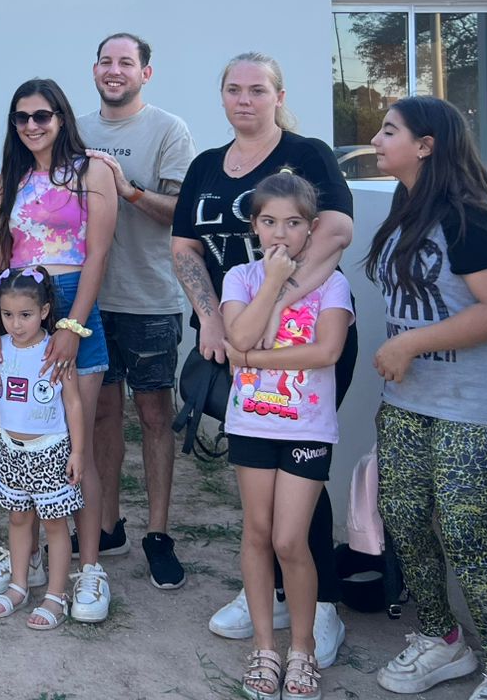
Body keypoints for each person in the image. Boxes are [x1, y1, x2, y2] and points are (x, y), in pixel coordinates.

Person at [172, 51, 355, 666]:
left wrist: (278, 300)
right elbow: (185, 248)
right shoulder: (205, 165)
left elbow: (335, 232)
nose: (244, 99)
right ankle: (272, 595)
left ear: (279, 96)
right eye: (233, 89)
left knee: (302, 467)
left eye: (257, 89)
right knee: (258, 464)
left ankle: (321, 604)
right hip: (235, 332)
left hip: (303, 330)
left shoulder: (307, 155)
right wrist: (213, 319)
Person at [366, 98, 487, 700]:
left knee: (463, 532)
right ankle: (443, 640)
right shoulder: (405, 208)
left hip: (476, 405)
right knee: (405, 520)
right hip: (408, 400)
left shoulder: (470, 219)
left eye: (389, 130)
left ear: (426, 145)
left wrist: (411, 343)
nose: (376, 140)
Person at [0, 78, 118, 624]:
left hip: (73, 304)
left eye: (42, 115)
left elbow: (98, 254)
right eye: (22, 117)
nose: (32, 126)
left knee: (73, 442)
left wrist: (72, 326)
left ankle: (89, 568)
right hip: (18, 311)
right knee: (23, 429)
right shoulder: (9, 178)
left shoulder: (92, 170)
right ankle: (27, 560)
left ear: (61, 117)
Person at [221, 171, 354, 699]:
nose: (281, 233)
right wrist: (272, 286)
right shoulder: (240, 277)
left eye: (294, 223)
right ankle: (264, 647)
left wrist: (251, 359)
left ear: (311, 228)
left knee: (289, 539)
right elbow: (237, 333)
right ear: (254, 226)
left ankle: (302, 648)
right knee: (257, 533)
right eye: (270, 222)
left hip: (306, 428)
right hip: (252, 424)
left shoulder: (332, 283)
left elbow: (326, 351)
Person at [78, 32, 197, 589]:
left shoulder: (168, 130)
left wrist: (128, 191)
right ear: (94, 70)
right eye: (106, 61)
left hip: (149, 298)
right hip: (89, 299)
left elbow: (181, 211)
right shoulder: (75, 129)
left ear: (145, 73)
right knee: (103, 415)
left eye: (126, 62)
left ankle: (158, 533)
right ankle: (108, 526)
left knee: (153, 416)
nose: (115, 70)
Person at [0, 268, 85, 630]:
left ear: (44, 311)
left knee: (54, 523)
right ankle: (19, 584)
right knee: (18, 518)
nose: (16, 324)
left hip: (49, 450)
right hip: (11, 449)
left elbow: (74, 404)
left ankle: (56, 595)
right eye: (8, 315)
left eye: (25, 315)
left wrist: (77, 452)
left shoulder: (54, 350)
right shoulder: (2, 348)